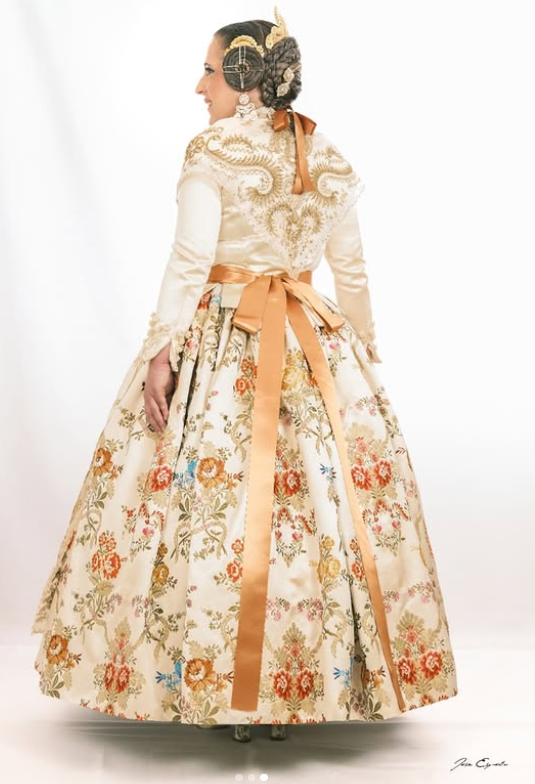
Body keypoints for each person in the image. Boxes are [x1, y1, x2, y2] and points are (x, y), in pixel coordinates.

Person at [31, 7, 458, 745]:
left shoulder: (213, 149)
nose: (199, 87)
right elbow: (350, 268)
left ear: (242, 76)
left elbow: (191, 260)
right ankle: (297, 686)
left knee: (210, 508)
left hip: (226, 338)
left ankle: (213, 681)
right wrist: (361, 351)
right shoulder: (326, 154)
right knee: (313, 515)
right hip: (311, 339)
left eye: (208, 70)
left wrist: (162, 351)